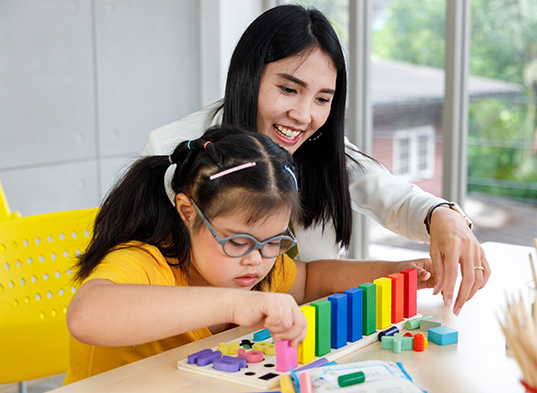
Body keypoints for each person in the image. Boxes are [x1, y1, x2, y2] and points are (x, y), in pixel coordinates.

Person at [141, 4, 490, 317]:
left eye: (323, 99)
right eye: (289, 89)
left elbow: (394, 197)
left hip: (307, 335)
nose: (303, 116)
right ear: (248, 77)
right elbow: (146, 285)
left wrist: (444, 216)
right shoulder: (175, 148)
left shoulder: (321, 147)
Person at [65, 127, 434, 384]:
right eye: (237, 241)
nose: (256, 260)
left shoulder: (258, 264)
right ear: (187, 210)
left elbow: (308, 280)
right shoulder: (146, 261)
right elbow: (86, 315)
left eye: (274, 242)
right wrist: (232, 305)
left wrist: (397, 269)